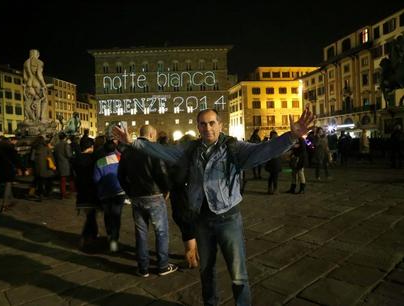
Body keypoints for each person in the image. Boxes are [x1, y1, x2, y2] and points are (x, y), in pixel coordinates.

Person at [112, 107, 314, 306]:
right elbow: (163, 151)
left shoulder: (234, 148)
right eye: (203, 124)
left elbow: (263, 151)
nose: (207, 127)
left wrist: (290, 137)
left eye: (211, 123)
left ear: (220, 125)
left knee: (238, 274)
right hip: (201, 219)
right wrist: (132, 142)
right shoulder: (190, 150)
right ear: (198, 127)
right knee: (206, 271)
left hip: (228, 219)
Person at [118, 125, 176, 277]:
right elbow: (161, 172)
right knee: (161, 232)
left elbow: (120, 175)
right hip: (154, 195)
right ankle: (162, 265)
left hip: (137, 196)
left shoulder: (128, 151)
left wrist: (130, 191)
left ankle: (143, 268)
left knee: (141, 233)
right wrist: (166, 189)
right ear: (151, 134)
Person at [168, 134, 199, 269]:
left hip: (183, 201)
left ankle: (191, 260)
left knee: (188, 231)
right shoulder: (199, 159)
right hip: (197, 202)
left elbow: (177, 181)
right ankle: (197, 255)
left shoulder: (180, 162)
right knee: (194, 229)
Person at [93, 138, 126, 252]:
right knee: (116, 216)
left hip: (105, 194)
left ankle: (109, 236)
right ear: (115, 149)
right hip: (119, 192)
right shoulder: (120, 158)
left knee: (107, 216)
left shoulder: (100, 162)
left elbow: (96, 179)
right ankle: (114, 240)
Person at [72, 137, 99, 252]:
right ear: (91, 147)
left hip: (81, 192)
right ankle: (87, 241)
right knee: (91, 218)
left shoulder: (75, 159)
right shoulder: (94, 159)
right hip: (92, 192)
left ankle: (90, 239)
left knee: (90, 217)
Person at [23, 49, 48, 122]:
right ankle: (42, 117)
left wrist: (27, 84)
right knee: (44, 100)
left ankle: (31, 119)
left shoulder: (25, 63)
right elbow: (39, 75)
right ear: (37, 55)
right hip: (36, 83)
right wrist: (44, 85)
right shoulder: (39, 62)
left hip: (29, 84)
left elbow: (24, 77)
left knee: (30, 102)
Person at [54, 133, 74, 199]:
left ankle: (62, 193)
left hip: (59, 163)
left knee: (62, 180)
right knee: (67, 179)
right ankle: (65, 193)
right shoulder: (66, 145)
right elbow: (68, 155)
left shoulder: (56, 145)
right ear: (65, 138)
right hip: (65, 164)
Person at [265, 130, 282, 194]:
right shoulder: (272, 143)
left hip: (275, 161)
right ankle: (274, 189)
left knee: (272, 176)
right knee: (274, 176)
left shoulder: (271, 142)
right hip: (274, 162)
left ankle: (270, 189)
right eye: (275, 135)